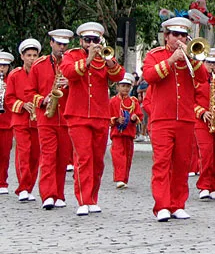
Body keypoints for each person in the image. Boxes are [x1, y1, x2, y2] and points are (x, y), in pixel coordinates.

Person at [142, 17, 210, 221]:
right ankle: (161, 205)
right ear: (166, 36)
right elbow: (149, 76)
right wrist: (171, 60)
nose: (180, 39)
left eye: (183, 35)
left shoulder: (192, 57)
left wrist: (192, 57)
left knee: (182, 163)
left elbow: (203, 78)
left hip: (186, 119)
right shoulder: (155, 55)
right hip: (162, 118)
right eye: (175, 35)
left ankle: (177, 204)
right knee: (162, 163)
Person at [61, 22, 126, 215]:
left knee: (98, 160)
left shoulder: (105, 56)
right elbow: (68, 72)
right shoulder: (71, 55)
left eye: (95, 40)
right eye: (87, 40)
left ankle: (93, 198)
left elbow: (119, 75)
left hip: (100, 114)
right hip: (77, 114)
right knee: (83, 157)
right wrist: (88, 59)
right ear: (81, 41)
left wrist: (110, 61)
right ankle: (83, 199)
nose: (91, 43)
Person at [29, 28, 75, 210]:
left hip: (65, 117)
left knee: (63, 157)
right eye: (58, 44)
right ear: (51, 43)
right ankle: (47, 195)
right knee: (48, 156)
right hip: (46, 116)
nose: (62, 47)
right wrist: (43, 100)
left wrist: (71, 83)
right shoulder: (39, 65)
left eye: (65, 44)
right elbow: (29, 91)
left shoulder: (71, 64)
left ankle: (59, 194)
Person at [7, 40, 40, 202]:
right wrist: (22, 105)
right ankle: (23, 187)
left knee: (35, 155)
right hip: (20, 120)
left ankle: (29, 187)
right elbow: (9, 99)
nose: (32, 59)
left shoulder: (41, 73)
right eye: (28, 55)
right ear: (22, 56)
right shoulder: (15, 75)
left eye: (35, 55)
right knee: (23, 152)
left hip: (37, 121)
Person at [193, 48, 215, 201]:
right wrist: (201, 112)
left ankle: (214, 186)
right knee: (206, 154)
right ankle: (204, 186)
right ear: (203, 63)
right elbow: (189, 101)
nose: (212, 67)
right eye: (209, 63)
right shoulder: (196, 78)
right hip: (202, 121)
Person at [110, 74, 141, 189]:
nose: (125, 89)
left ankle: (124, 179)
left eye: (128, 86)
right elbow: (108, 117)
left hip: (129, 134)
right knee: (118, 156)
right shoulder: (113, 101)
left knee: (128, 157)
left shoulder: (134, 101)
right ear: (117, 87)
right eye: (123, 86)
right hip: (117, 134)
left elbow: (139, 115)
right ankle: (119, 178)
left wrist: (134, 118)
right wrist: (116, 120)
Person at [0, 52, 14, 195]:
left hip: (6, 123)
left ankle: (2, 182)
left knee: (4, 154)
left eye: (4, 66)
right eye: (0, 65)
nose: (1, 69)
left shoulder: (12, 80)